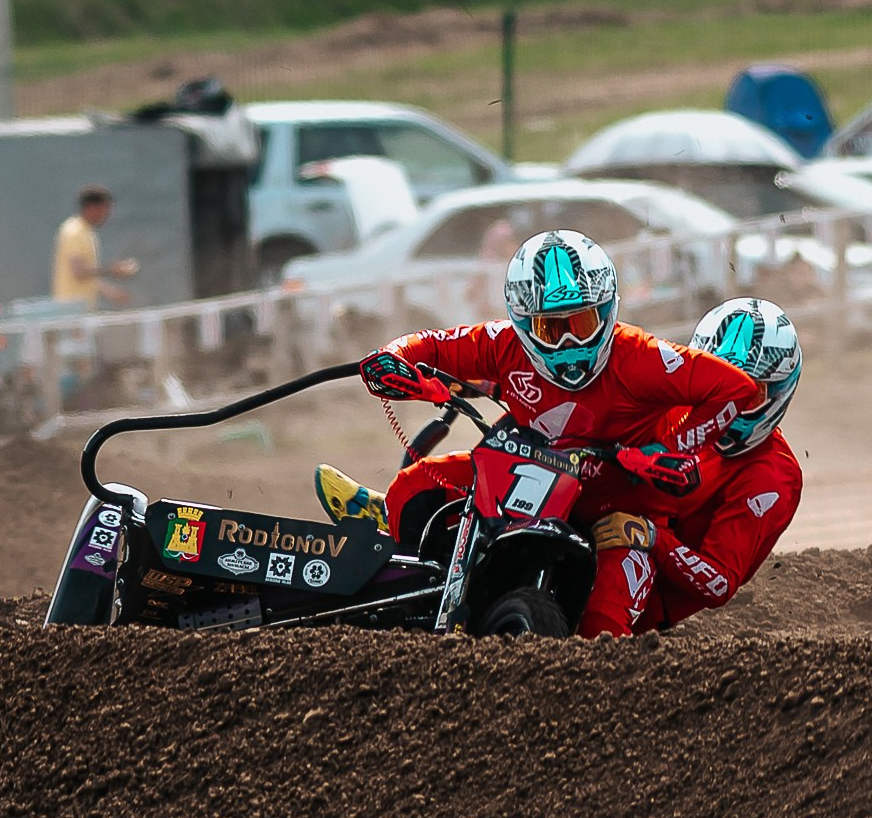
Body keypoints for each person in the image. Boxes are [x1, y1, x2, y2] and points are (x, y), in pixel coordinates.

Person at [313, 229, 759, 638]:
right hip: (524, 476)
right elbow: (429, 344)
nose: (569, 344)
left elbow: (736, 389)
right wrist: (391, 360)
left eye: (582, 323)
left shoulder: (641, 356)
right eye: (552, 328)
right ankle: (393, 578)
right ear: (523, 322)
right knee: (413, 487)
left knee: (603, 632)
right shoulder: (502, 342)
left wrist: (667, 448)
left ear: (608, 311)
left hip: (616, 509)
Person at [591, 298, 808, 636]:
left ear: (780, 393)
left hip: (648, 574)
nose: (730, 402)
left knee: (602, 610)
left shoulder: (773, 475)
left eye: (749, 394)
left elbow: (719, 582)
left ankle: (596, 654)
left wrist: (650, 537)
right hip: (601, 508)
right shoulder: (678, 405)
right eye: (718, 384)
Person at [52, 185, 140, 308]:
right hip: (71, 309)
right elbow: (79, 271)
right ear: (91, 207)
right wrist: (112, 270)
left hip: (83, 308)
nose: (107, 215)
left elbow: (87, 276)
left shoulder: (87, 232)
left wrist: (111, 292)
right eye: (105, 209)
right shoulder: (75, 232)